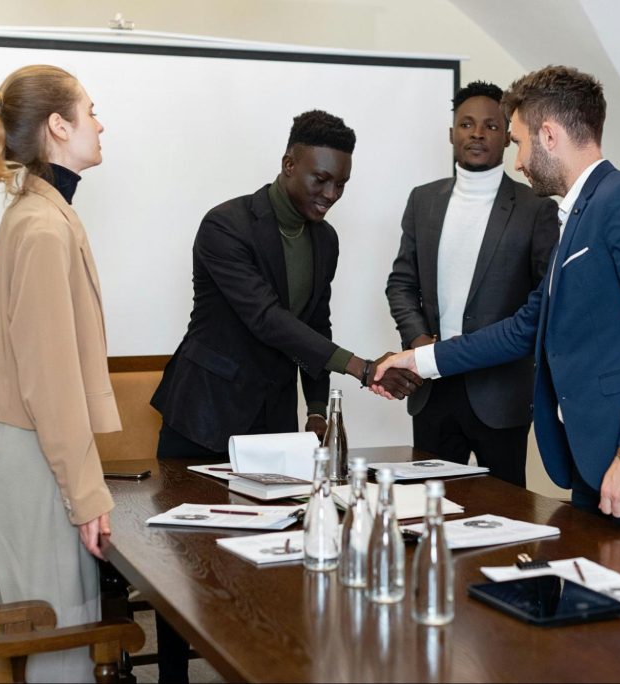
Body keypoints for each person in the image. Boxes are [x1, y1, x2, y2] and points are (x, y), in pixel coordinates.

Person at [375, 66, 620, 550]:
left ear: (550, 135)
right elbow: (523, 328)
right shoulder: (577, 214)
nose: (517, 162)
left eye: (517, 142)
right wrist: (419, 361)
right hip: (596, 459)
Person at [149, 109, 420, 682]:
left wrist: (317, 410)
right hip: (202, 412)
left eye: (341, 184)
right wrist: (362, 367)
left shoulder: (326, 240)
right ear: (288, 164)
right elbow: (266, 319)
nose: (331, 193)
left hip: (272, 421)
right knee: (186, 563)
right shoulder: (224, 224)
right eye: (320, 179)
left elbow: (311, 324)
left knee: (267, 558)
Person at [0, 65, 117, 682]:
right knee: (63, 656)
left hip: (19, 454)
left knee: (55, 648)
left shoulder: (37, 212)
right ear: (59, 126)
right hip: (29, 461)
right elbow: (49, 382)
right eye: (91, 111)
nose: (100, 125)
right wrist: (85, 495)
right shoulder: (43, 226)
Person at [385, 80, 557, 487]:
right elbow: (401, 283)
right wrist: (417, 339)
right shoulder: (423, 201)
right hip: (432, 390)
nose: (477, 133)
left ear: (508, 138)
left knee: (505, 511)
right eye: (466, 124)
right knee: (426, 509)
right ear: (451, 133)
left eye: (491, 126)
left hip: (501, 394)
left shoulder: (535, 208)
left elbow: (545, 299)